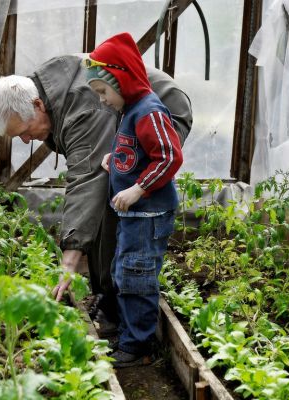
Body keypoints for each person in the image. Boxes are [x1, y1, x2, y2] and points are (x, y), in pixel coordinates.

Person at [0, 52, 191, 336]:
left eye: (24, 130)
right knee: (107, 193)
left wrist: (70, 259)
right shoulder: (43, 91)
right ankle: (110, 292)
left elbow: (86, 178)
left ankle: (122, 303)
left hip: (163, 110)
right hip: (126, 115)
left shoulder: (84, 109)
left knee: (114, 201)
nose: (24, 139)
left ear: (37, 105)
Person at [85, 32, 183, 367]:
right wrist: (116, 160)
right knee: (123, 271)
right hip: (135, 217)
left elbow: (169, 157)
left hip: (149, 214)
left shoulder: (149, 112)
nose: (102, 99)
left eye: (103, 91)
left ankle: (138, 346)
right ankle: (125, 328)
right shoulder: (131, 111)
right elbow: (137, 150)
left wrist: (138, 188)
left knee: (136, 277)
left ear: (122, 79)